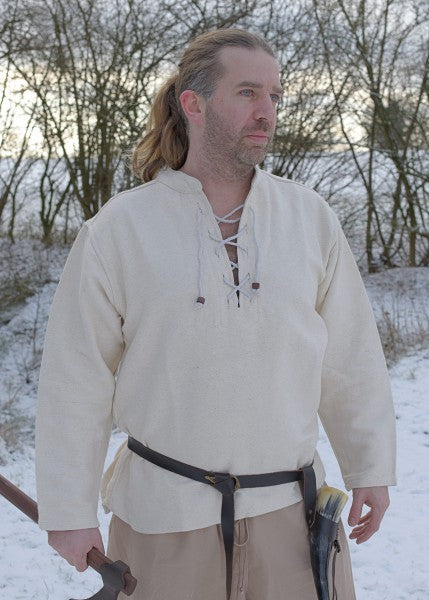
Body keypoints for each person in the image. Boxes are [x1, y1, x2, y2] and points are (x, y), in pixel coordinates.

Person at [35, 28, 397, 600]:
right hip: (164, 522)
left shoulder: (309, 219)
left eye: (274, 96)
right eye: (248, 92)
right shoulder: (118, 230)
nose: (266, 111)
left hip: (293, 520)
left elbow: (350, 358)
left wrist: (369, 467)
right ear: (194, 103)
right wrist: (67, 510)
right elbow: (76, 379)